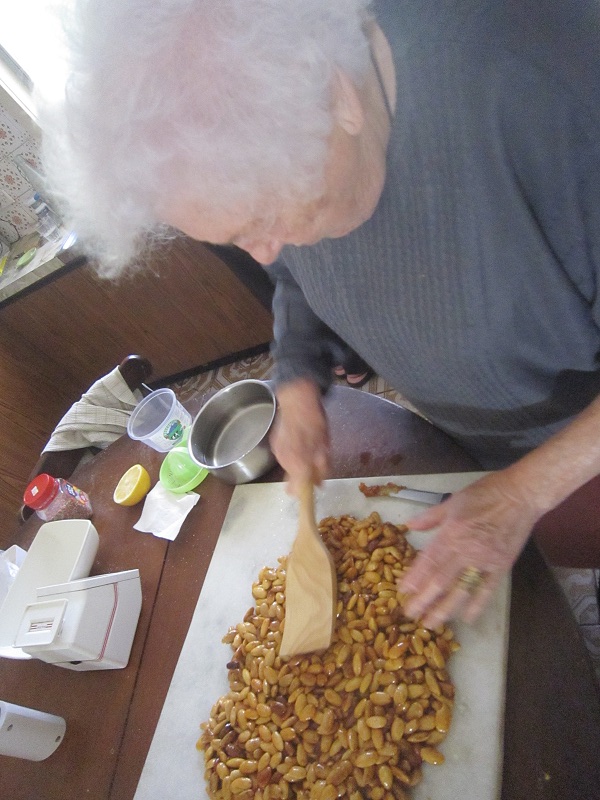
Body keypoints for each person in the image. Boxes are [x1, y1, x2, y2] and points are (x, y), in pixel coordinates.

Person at [43, 0, 600, 629]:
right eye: (237, 238)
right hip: (476, 447)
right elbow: (294, 273)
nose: (265, 251)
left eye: (268, 216)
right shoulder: (298, 151)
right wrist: (299, 375)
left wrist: (526, 491)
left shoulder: (554, 91)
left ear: (341, 97)